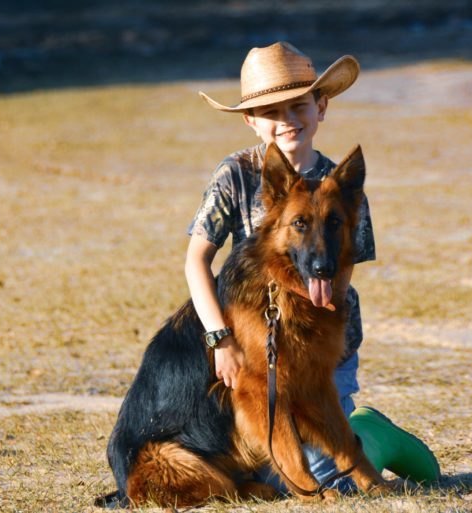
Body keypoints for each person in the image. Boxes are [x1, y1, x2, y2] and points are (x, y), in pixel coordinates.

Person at [185, 41, 439, 493]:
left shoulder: (342, 187)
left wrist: (319, 296)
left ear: (321, 107)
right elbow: (196, 260)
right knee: (268, 468)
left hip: (320, 344)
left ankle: (373, 433)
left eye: (298, 105)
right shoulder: (236, 173)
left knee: (325, 477)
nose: (287, 120)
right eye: (272, 111)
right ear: (251, 120)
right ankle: (353, 432)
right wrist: (220, 339)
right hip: (255, 342)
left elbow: (341, 265)